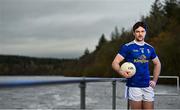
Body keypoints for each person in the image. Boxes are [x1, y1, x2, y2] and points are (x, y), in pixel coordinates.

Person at [112, 21, 161, 109]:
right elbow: (115, 62)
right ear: (134, 33)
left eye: (142, 31)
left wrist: (154, 80)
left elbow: (157, 63)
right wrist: (121, 71)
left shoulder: (150, 48)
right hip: (134, 85)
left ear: (145, 32)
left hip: (148, 86)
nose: (140, 34)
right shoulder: (127, 47)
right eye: (137, 31)